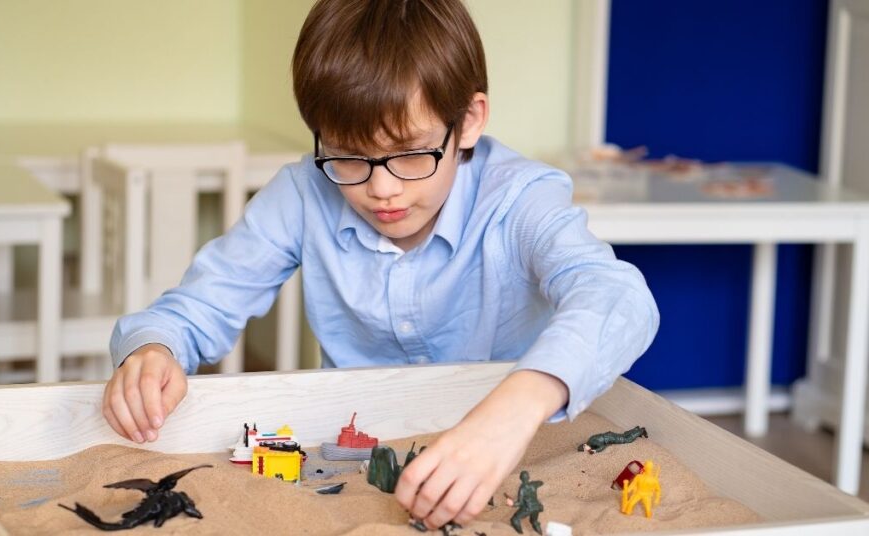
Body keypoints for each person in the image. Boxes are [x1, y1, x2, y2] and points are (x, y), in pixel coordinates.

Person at [102, 0, 659, 529]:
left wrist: (518, 404)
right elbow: (197, 308)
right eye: (348, 155)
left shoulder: (519, 200)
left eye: (412, 153)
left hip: (509, 442)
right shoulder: (301, 194)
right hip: (355, 456)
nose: (381, 189)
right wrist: (154, 349)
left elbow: (618, 297)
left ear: (468, 120)